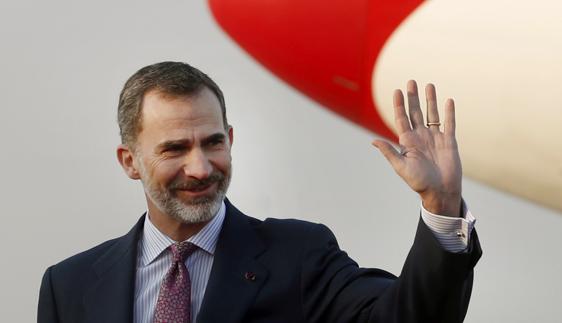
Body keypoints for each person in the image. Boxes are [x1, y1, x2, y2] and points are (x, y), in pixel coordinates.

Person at [38, 61, 481, 323]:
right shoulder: (69, 286)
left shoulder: (299, 256)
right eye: (175, 148)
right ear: (129, 161)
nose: (200, 167)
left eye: (213, 142)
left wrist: (440, 204)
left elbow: (410, 317)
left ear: (230, 138)